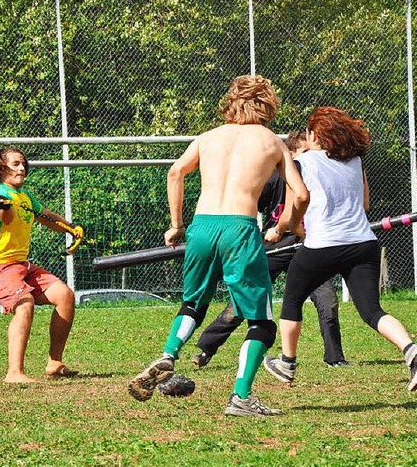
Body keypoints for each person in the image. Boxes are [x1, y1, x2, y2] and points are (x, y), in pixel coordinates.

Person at [127, 75, 310, 417]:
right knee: (262, 323)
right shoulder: (271, 141)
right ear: (268, 104)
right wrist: (286, 225)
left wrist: (176, 225)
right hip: (239, 227)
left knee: (193, 302)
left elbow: (175, 173)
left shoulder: (207, 137)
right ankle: (241, 397)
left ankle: (169, 353)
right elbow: (301, 194)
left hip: (202, 226)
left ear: (230, 102)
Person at [264, 107, 417, 393]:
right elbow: (365, 205)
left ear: (313, 135)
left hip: (322, 244)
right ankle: (412, 351)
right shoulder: (356, 161)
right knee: (372, 311)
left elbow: (293, 208)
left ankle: (287, 363)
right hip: (363, 243)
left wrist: (285, 228)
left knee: (292, 298)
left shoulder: (301, 162)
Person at [190, 131, 350, 370]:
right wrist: (257, 231)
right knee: (244, 300)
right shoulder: (276, 177)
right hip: (276, 246)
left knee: (327, 300)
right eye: (305, 153)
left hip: (308, 245)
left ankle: (334, 357)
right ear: (293, 154)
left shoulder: (318, 176)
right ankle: (206, 348)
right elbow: (249, 200)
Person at [0, 147, 81, 383]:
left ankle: (55, 363)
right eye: (15, 164)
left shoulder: (25, 198)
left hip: (21, 265)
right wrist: (2, 207)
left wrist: (71, 228)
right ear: (1, 168)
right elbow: (7, 219)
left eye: (23, 163)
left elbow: (47, 217)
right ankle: (14, 373)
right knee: (25, 303)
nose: (22, 167)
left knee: (64, 296)